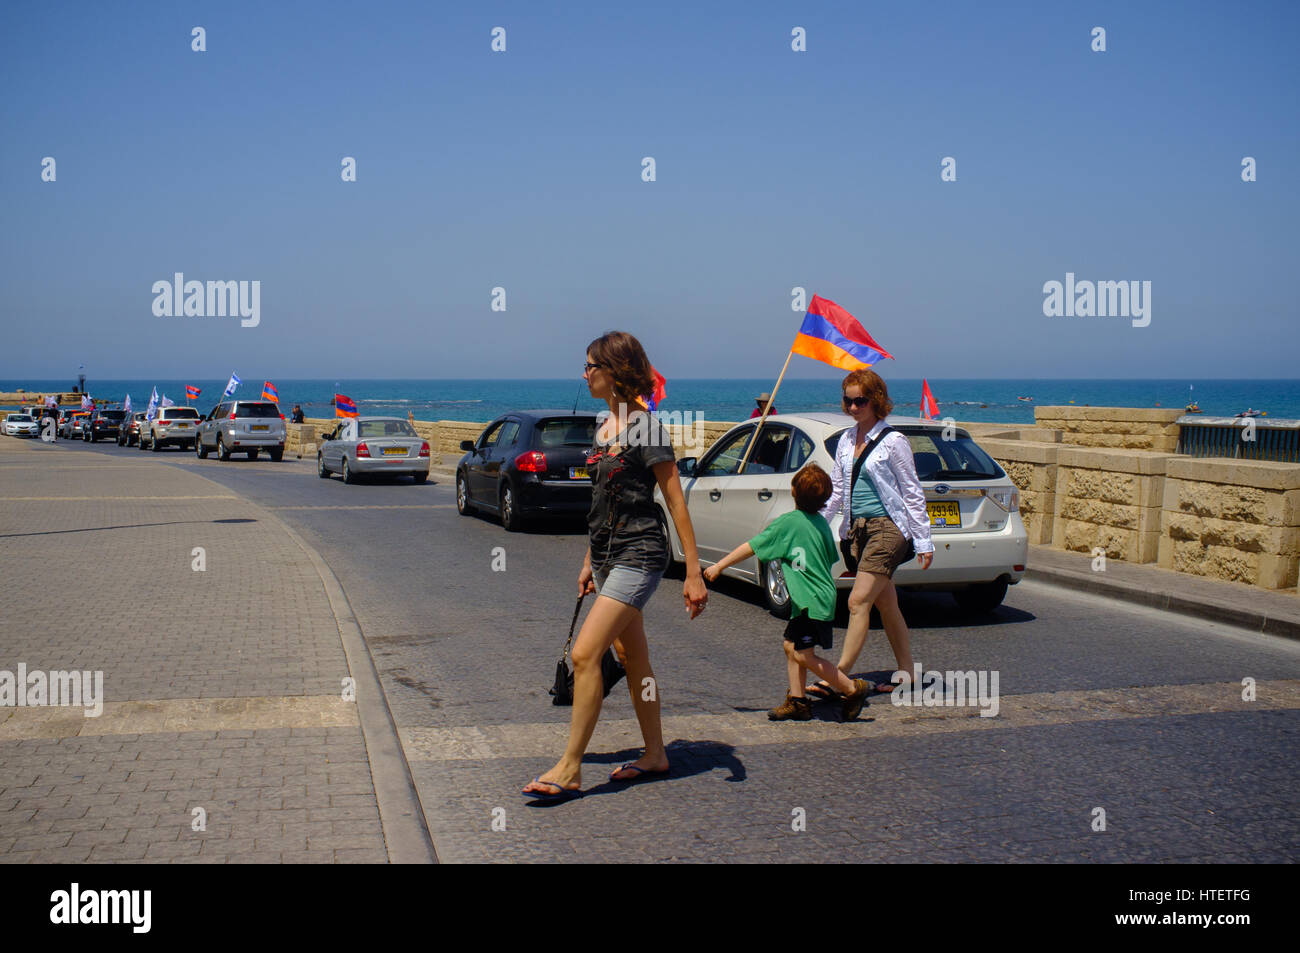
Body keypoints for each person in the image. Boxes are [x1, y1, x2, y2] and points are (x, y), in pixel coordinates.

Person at [522, 331, 708, 800]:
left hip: (640, 554)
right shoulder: (604, 426)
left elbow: (675, 501)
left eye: (590, 366)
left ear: (614, 370)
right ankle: (655, 753)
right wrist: (589, 560)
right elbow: (602, 502)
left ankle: (569, 766)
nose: (584, 374)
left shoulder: (646, 428)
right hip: (607, 557)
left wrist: (693, 571)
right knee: (632, 657)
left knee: (586, 655)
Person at [704, 464, 871, 721]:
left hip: (809, 602)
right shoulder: (821, 524)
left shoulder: (788, 523)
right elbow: (828, 557)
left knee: (804, 655)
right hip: (818, 597)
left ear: (794, 492)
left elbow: (753, 546)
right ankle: (798, 700)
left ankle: (851, 688)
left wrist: (720, 565)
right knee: (790, 645)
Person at [808, 369, 934, 700]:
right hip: (858, 531)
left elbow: (911, 492)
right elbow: (837, 490)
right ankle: (907, 672)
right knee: (886, 603)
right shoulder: (847, 440)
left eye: (860, 400)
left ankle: (839, 677)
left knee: (857, 600)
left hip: (887, 529)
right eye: (848, 401)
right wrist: (817, 522)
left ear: (876, 400)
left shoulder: (894, 442)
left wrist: (922, 540)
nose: (852, 407)